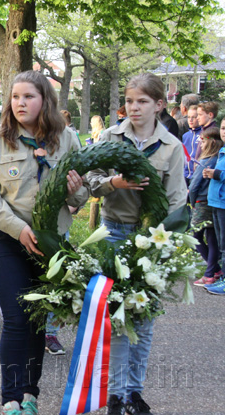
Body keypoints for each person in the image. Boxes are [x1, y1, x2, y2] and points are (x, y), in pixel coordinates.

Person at [0, 71, 87, 414]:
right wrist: (17, 227)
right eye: (16, 97)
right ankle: (10, 397)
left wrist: (76, 190)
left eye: (29, 97)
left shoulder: (66, 138)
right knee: (18, 318)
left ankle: (30, 395)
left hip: (51, 243)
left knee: (38, 318)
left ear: (45, 101)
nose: (20, 103)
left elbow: (83, 191)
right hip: (7, 238)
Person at [87, 73, 186, 415]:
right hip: (113, 232)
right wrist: (116, 182)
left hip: (151, 239)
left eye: (142, 101)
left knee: (143, 319)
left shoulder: (172, 147)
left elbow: (176, 203)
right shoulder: (112, 137)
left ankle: (134, 392)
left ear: (159, 105)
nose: (134, 107)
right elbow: (92, 182)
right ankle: (114, 392)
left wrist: (165, 245)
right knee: (116, 318)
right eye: (130, 101)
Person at [190, 125, 223, 286]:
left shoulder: (206, 160)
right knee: (212, 238)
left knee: (194, 237)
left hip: (201, 202)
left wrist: (191, 202)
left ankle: (212, 270)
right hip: (213, 202)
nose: (200, 146)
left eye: (202, 142)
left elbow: (195, 185)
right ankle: (214, 270)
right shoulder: (219, 158)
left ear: (209, 143)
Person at [202, 118, 225, 296]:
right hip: (216, 202)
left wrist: (216, 173)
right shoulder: (222, 151)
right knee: (220, 242)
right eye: (223, 128)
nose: (224, 131)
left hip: (223, 204)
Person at [182, 105, 202, 185]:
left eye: (194, 117)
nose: (190, 120)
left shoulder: (203, 134)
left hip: (197, 176)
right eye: (189, 117)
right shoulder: (185, 136)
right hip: (185, 175)